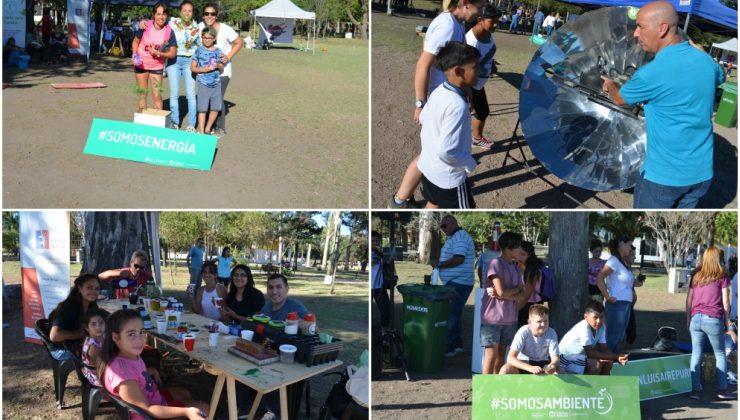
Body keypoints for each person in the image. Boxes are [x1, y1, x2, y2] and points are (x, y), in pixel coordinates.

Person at [600, 1, 724, 209]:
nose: (635, 34)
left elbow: (620, 100)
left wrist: (611, 86)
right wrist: (702, 53)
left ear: (663, 28)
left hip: (663, 179)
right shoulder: (706, 61)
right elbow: (719, 76)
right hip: (702, 174)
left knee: (651, 224)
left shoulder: (652, 73)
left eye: (641, 27)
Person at [390, 0, 485, 208]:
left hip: (447, 92)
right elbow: (423, 64)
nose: (481, 12)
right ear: (465, 3)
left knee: (429, 155)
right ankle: (399, 200)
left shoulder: (457, 24)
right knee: (430, 154)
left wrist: (465, 90)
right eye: (480, 6)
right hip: (440, 98)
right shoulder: (447, 26)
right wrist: (420, 103)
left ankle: (401, 200)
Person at [101, 309, 209, 419]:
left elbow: (135, 374)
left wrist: (150, 370)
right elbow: (147, 409)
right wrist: (186, 412)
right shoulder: (123, 375)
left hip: (153, 398)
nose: (139, 339)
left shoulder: (128, 355)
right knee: (203, 408)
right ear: (115, 337)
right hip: (151, 414)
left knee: (185, 393)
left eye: (142, 332)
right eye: (131, 334)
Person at [416, 42, 480, 209]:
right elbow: (447, 150)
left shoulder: (440, 90)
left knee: (433, 202)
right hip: (449, 179)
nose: (480, 72)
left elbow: (423, 117)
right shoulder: (457, 106)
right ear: (458, 71)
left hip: (428, 168)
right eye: (476, 67)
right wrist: (469, 163)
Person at [686, 247, 737, 400]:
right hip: (713, 319)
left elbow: (689, 300)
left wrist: (688, 319)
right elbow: (726, 302)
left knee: (696, 353)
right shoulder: (722, 275)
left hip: (696, 318)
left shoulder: (696, 275)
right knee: (720, 354)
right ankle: (722, 389)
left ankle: (696, 391)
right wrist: (727, 323)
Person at [481, 231, 526, 374]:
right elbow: (502, 291)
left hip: (510, 318)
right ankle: (485, 389)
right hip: (492, 318)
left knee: (502, 355)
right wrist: (512, 292)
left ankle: (497, 387)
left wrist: (507, 294)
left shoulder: (516, 267)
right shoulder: (495, 263)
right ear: (508, 248)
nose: (521, 250)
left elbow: (521, 293)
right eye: (518, 246)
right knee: (491, 354)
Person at [431, 215, 475, 355]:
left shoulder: (460, 237)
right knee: (454, 314)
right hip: (457, 281)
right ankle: (457, 345)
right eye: (441, 227)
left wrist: (440, 263)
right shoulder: (456, 237)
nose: (442, 229)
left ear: (453, 223)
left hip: (459, 282)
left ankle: (449, 347)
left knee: (450, 315)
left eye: (444, 226)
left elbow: (459, 259)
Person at [199, 3, 244, 137]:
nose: (209, 16)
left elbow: (239, 42)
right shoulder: (201, 27)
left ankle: (220, 127)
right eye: (207, 13)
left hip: (223, 72)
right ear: (203, 15)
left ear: (216, 15)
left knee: (217, 99)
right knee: (207, 98)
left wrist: (228, 57)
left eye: (212, 14)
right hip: (206, 71)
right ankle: (207, 127)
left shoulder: (226, 29)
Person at [559, 301, 629, 375]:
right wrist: (615, 357)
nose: (598, 321)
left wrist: (619, 358)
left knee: (608, 362)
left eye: (601, 317)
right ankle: (587, 387)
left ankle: (602, 386)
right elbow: (590, 353)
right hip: (563, 358)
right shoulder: (583, 327)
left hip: (579, 358)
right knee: (595, 365)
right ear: (586, 317)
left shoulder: (602, 327)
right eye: (595, 318)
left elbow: (604, 349)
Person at [131, 2, 177, 111]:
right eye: (158, 14)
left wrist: (159, 53)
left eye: (164, 14)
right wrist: (134, 54)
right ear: (154, 15)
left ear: (167, 16)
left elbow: (173, 53)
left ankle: (157, 126)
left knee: (157, 97)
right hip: (141, 65)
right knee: (142, 95)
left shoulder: (169, 31)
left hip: (156, 67)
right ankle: (142, 125)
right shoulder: (145, 26)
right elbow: (135, 42)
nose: (161, 17)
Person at [466, 6, 500, 150]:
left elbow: (488, 53)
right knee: (463, 114)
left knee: (482, 111)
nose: (496, 24)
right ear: (480, 20)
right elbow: (466, 70)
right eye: (493, 21)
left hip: (479, 83)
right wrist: (468, 95)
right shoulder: (471, 42)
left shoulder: (488, 32)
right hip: (470, 84)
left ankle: (476, 139)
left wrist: (491, 65)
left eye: (498, 21)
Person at [596, 235, 636, 353]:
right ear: (621, 244)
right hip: (616, 304)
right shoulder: (613, 260)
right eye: (629, 244)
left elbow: (626, 282)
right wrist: (607, 296)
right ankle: (605, 365)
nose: (630, 248)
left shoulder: (623, 262)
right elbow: (600, 278)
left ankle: (611, 364)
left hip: (626, 304)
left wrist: (637, 282)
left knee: (618, 338)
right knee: (612, 338)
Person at [48, 274, 101, 361]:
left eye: (97, 288)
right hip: (61, 350)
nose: (93, 291)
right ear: (79, 289)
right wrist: (83, 334)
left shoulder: (92, 306)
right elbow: (54, 336)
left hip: (76, 344)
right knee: (102, 353)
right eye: (89, 287)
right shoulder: (69, 308)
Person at [166, 0, 200, 131]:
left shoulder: (197, 28)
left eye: (189, 11)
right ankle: (175, 122)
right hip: (173, 61)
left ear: (193, 13)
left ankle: (191, 124)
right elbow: (158, 20)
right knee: (174, 94)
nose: (187, 13)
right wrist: (144, 22)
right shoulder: (172, 22)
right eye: (184, 10)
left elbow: (201, 46)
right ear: (180, 11)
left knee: (190, 94)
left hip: (189, 62)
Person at [499, 304, 561, 374]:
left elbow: (555, 358)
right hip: (524, 362)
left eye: (546, 321)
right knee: (506, 369)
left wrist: (552, 365)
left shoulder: (551, 332)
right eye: (539, 321)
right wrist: (530, 368)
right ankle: (500, 385)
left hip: (543, 364)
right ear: (530, 322)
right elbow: (510, 358)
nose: (543, 324)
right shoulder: (523, 331)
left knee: (560, 371)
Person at [191, 27, 225, 135]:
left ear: (214, 38)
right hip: (203, 83)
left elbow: (222, 69)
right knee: (202, 109)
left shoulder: (219, 52)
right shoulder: (198, 51)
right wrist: (203, 69)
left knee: (215, 108)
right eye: (204, 37)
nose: (207, 40)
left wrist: (219, 65)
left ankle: (207, 129)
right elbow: (192, 68)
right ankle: (201, 131)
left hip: (216, 83)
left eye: (209, 38)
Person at [516, 241, 544, 328]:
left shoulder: (533, 271)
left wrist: (513, 311)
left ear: (529, 254)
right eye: (518, 254)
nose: (519, 257)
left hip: (531, 306)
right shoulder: (515, 266)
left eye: (523, 254)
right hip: (520, 304)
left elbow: (526, 296)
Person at [81, 308, 109, 387]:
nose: (98, 327)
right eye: (93, 324)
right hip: (98, 377)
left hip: (104, 367)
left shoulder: (100, 336)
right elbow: (102, 369)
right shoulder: (93, 347)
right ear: (87, 328)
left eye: (101, 323)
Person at [371, 231, 391, 329]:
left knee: (386, 311)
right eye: (373, 240)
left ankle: (385, 334)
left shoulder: (380, 254)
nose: (375, 243)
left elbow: (388, 263)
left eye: (377, 241)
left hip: (379, 287)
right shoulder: (366, 253)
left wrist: (388, 257)